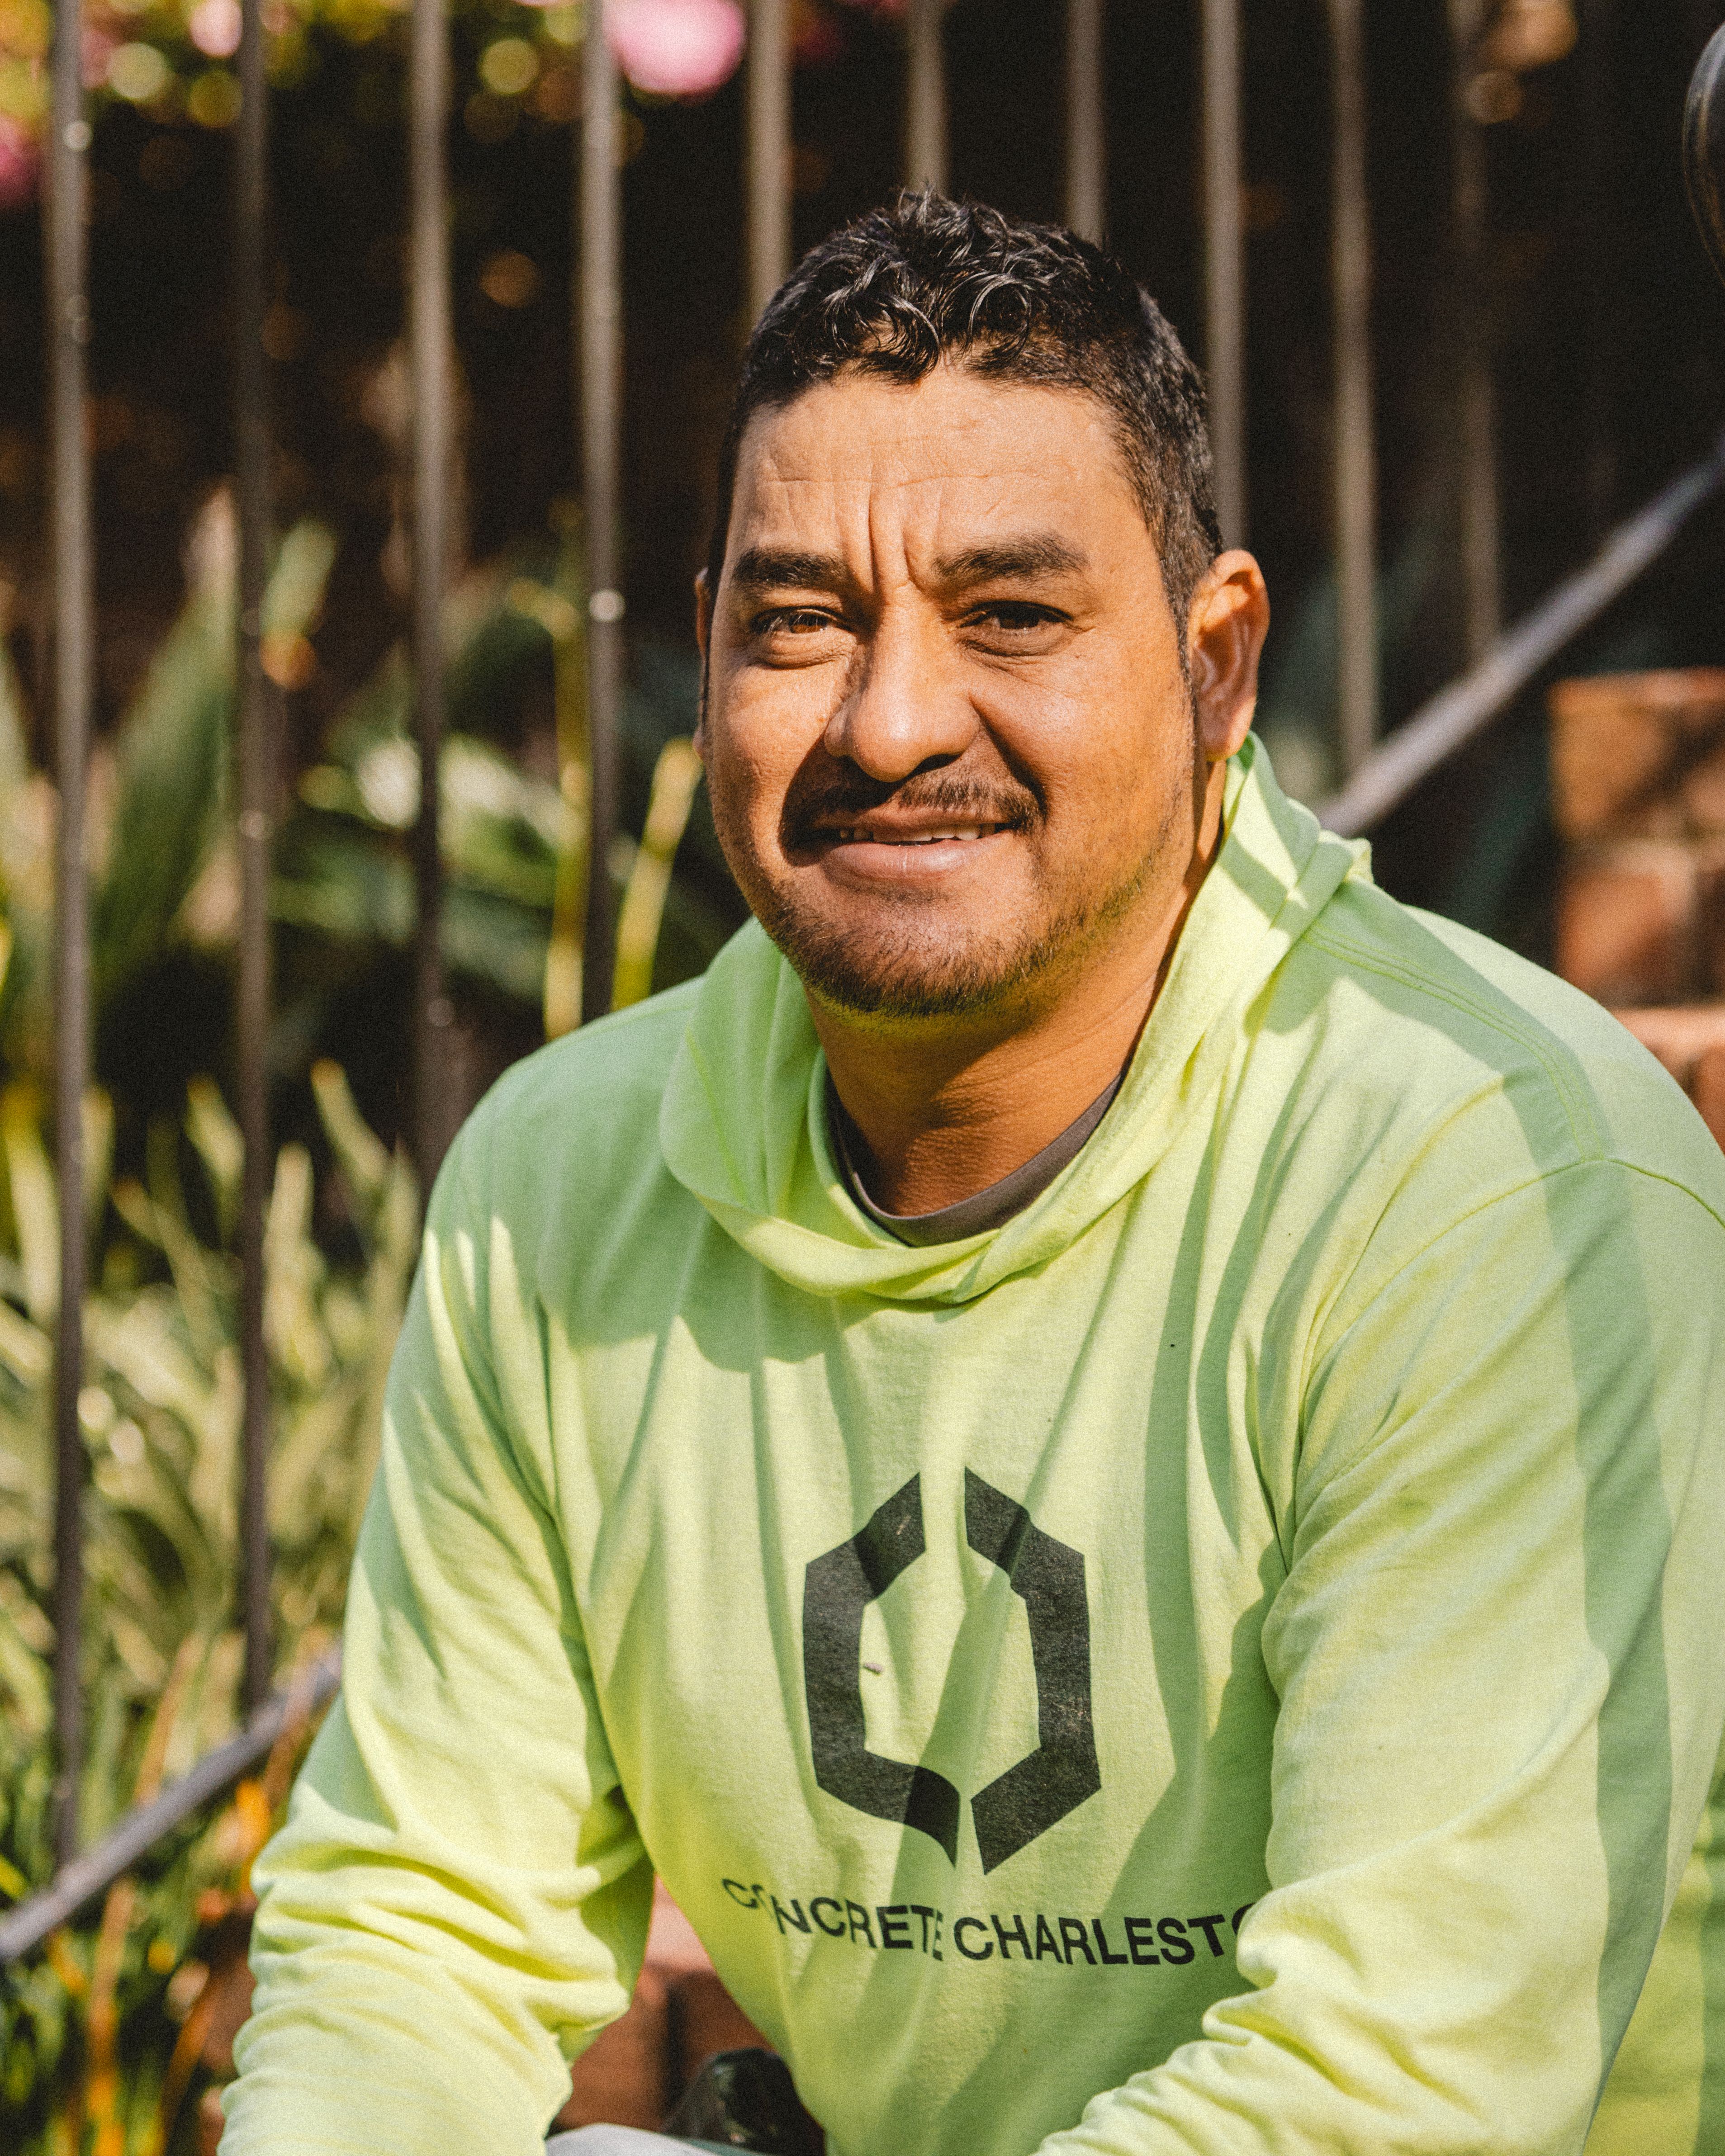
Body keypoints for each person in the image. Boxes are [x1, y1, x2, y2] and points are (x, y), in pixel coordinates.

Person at [222, 195, 1725, 2156]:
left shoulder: (1490, 1178)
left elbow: (1394, 2093)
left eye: (1009, 612)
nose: (894, 717)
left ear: (1218, 661)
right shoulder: (559, 1184)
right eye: (799, 619)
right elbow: (420, 1927)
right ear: (707, 654)